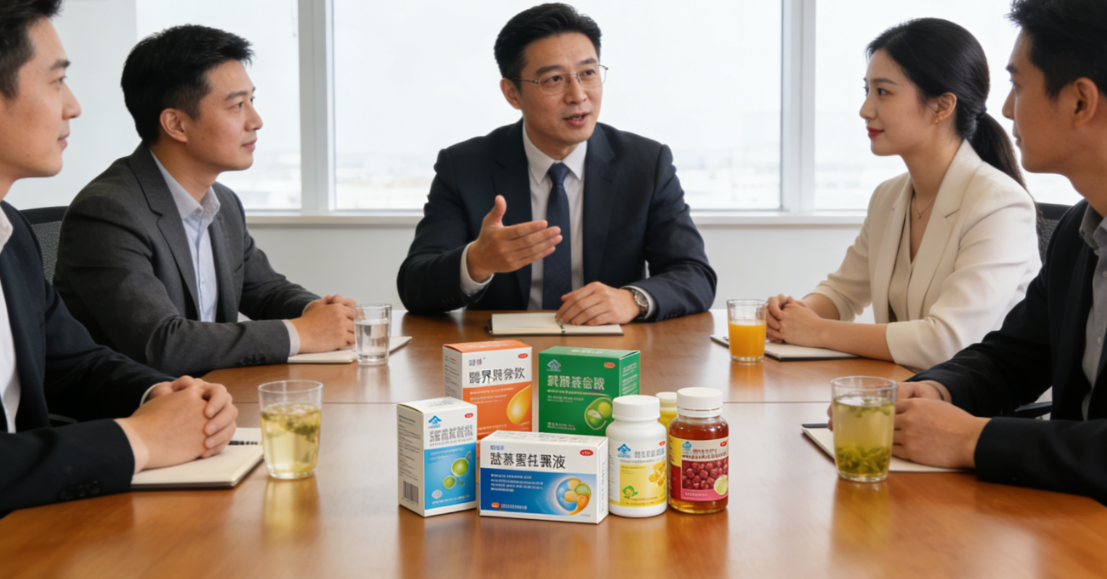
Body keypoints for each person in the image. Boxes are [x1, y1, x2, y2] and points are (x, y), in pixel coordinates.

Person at [0, 0, 237, 514]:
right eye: (56, 81)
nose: (73, 107)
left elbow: (75, 366)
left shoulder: (10, 235)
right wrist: (138, 440)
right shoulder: (111, 206)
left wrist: (165, 396)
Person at [874, 0, 1107, 503]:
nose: (1004, 109)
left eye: (1018, 86)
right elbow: (1013, 356)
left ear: (1080, 102)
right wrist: (937, 389)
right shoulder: (1079, 232)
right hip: (1068, 516)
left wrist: (973, 439)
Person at [53, 25, 356, 377]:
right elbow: (163, 344)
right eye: (237, 105)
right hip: (141, 405)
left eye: (252, 101)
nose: (256, 121)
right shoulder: (108, 213)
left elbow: (266, 291)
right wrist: (301, 333)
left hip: (216, 394)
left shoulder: (222, 202)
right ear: (176, 124)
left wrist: (324, 313)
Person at [396, 3, 716, 325]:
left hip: (611, 350)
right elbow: (414, 284)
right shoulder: (464, 167)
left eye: (588, 73)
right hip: (503, 348)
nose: (578, 95)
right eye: (554, 79)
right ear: (512, 93)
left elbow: (694, 273)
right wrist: (477, 261)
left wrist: (632, 299)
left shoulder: (646, 163)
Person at [766, 19, 1040, 370]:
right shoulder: (888, 196)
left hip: (973, 399)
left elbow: (947, 341)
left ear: (942, 106)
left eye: (883, 92)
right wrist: (793, 315)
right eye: (867, 90)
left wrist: (817, 331)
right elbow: (843, 292)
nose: (865, 109)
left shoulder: (1000, 205)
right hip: (902, 387)